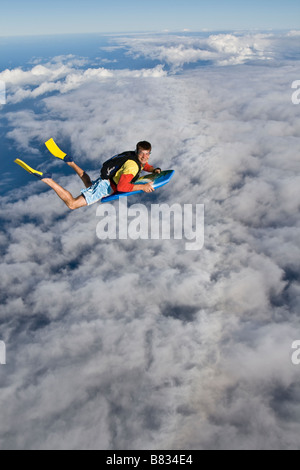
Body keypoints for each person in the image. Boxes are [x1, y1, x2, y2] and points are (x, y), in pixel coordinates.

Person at [20, 141, 161, 210]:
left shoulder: (134, 157)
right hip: (105, 187)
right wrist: (143, 187)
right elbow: (123, 187)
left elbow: (143, 165)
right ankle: (47, 179)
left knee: (88, 185)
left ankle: (70, 162)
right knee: (72, 204)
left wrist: (153, 170)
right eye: (142, 153)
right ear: (137, 152)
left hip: (106, 181)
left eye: (147, 153)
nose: (144, 156)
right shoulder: (132, 166)